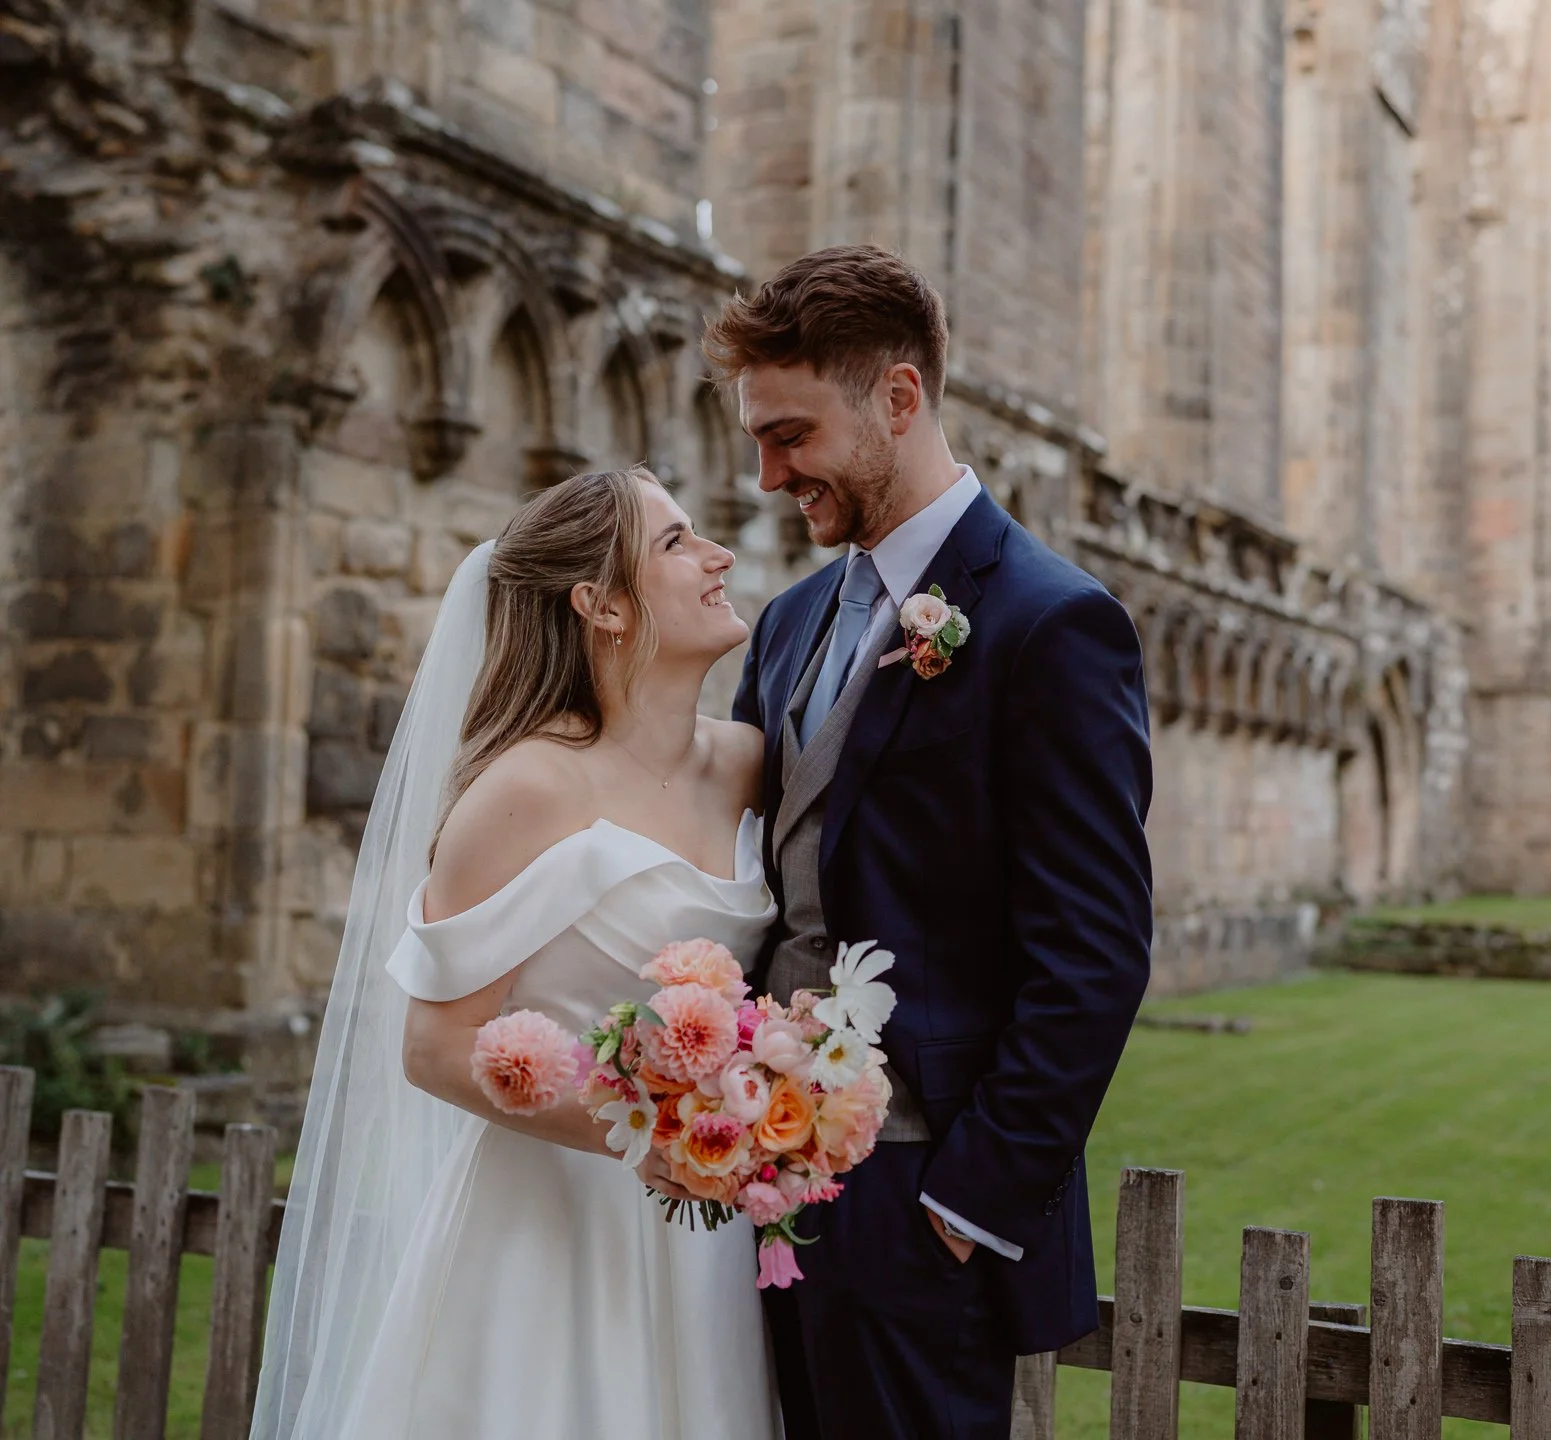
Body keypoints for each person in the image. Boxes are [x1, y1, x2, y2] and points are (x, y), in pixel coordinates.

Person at [711, 244, 1155, 1439]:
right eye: (758, 439)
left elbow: (1095, 952)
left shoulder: (1052, 623)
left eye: (791, 434)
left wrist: (966, 1200)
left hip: (920, 1194)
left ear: (898, 400)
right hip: (763, 1171)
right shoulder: (794, 620)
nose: (766, 475)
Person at [251, 467, 783, 1440]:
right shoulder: (527, 789)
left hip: (708, 1237)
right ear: (603, 605)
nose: (716, 558)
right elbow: (436, 1046)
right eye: (675, 543)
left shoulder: (749, 764)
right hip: (550, 1224)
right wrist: (644, 1140)